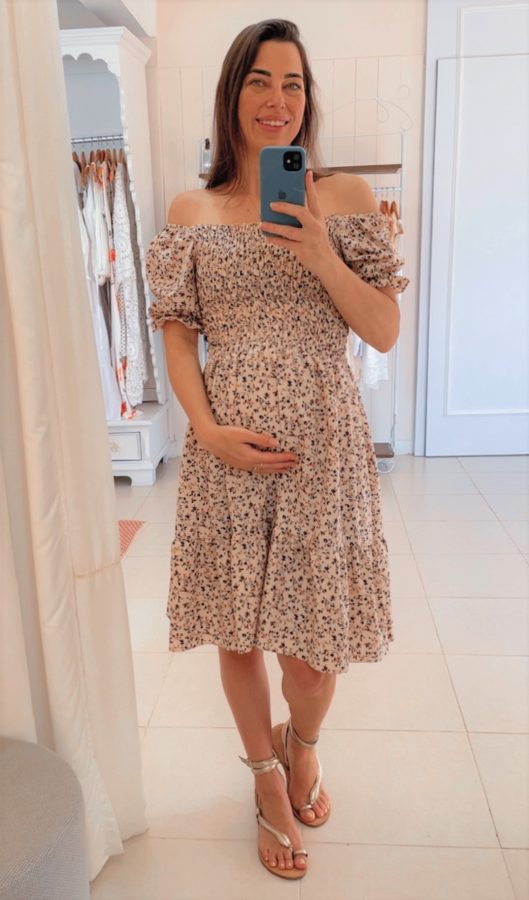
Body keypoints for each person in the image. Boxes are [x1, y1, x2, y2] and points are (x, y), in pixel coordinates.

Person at [146, 18, 410, 882]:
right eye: (259, 80)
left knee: (313, 651)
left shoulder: (344, 198)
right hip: (225, 446)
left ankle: (304, 740)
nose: (276, 99)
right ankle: (265, 775)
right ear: (232, 95)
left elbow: (382, 330)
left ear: (307, 98)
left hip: (322, 450)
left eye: (292, 83)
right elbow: (178, 334)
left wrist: (321, 253)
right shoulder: (191, 212)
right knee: (238, 632)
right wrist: (205, 429)